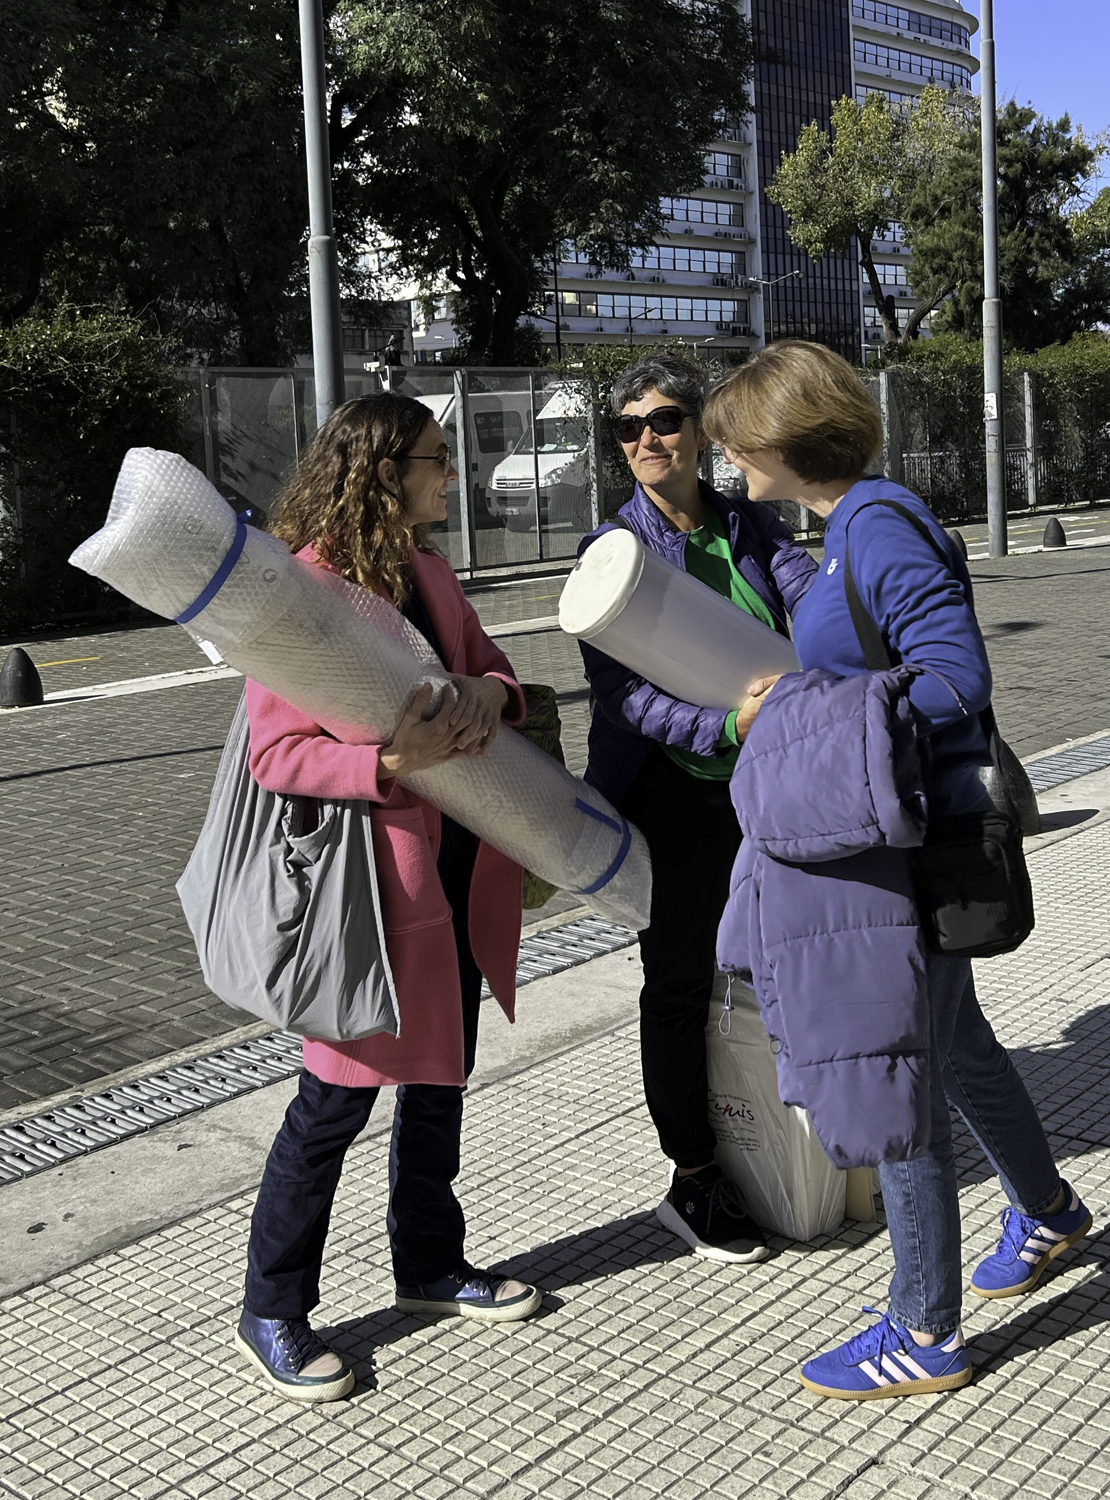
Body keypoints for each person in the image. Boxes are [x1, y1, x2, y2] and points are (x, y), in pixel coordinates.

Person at [704, 341, 1092, 1398]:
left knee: (899, 1070)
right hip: (898, 834)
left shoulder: (874, 526)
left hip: (906, 846)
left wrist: (800, 709)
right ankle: (1049, 1211)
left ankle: (923, 1331)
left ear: (783, 439)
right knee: (956, 1045)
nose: (730, 463)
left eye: (737, 445)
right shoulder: (848, 525)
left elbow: (957, 677)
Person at [234, 393, 541, 1404]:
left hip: (456, 870)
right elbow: (277, 755)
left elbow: (491, 668)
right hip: (367, 894)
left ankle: (431, 1265)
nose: (452, 475)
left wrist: (494, 692)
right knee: (334, 1100)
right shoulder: (303, 594)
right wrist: (388, 764)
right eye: (435, 459)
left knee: (442, 1077)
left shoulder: (430, 571)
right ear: (382, 472)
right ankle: (272, 1307)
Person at [578, 353, 817, 1262]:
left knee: (779, 961)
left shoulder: (748, 524)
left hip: (768, 779)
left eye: (664, 419)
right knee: (679, 982)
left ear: (700, 430)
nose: (647, 438)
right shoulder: (613, 553)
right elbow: (624, 699)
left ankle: (788, 1134)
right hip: (675, 791)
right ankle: (694, 1174)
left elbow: (811, 605)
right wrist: (725, 725)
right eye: (628, 427)